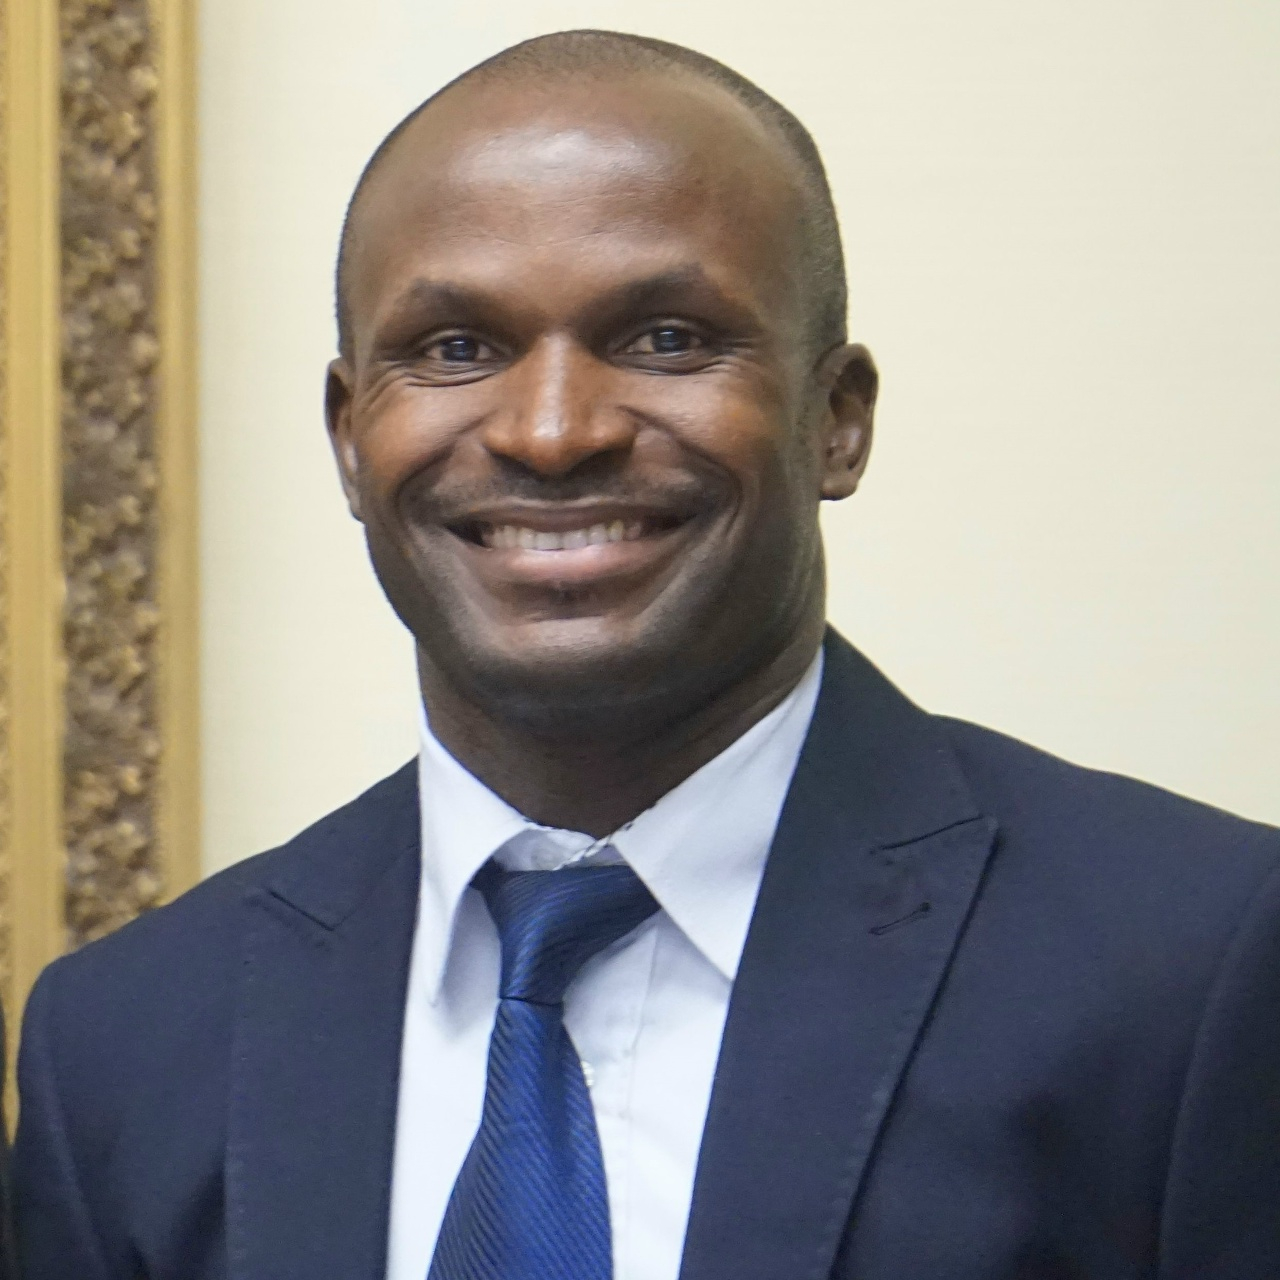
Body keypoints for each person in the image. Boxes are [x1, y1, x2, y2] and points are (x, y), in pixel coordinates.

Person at [12, 29, 1280, 1280]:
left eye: (665, 337)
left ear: (835, 419)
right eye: (455, 349)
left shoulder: (1197, 968)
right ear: (350, 437)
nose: (552, 432)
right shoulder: (125, 1042)